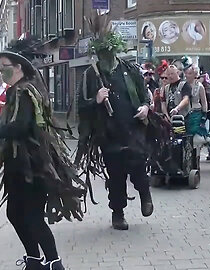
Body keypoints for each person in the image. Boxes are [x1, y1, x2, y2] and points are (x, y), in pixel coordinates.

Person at [0, 41, 86, 269]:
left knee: (31, 216)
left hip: (32, 163)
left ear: (19, 67)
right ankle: (34, 260)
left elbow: (20, 127)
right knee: (15, 213)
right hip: (20, 162)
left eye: (5, 66)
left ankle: (54, 263)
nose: (1, 72)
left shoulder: (25, 91)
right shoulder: (18, 90)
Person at [75, 12, 153, 231]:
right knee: (116, 176)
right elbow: (81, 106)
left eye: (108, 51)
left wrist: (146, 108)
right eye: (101, 52)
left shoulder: (130, 70)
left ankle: (145, 194)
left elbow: (145, 96)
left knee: (138, 167)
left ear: (115, 50)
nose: (105, 56)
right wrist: (96, 100)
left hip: (133, 129)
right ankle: (117, 214)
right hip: (108, 134)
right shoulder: (91, 75)